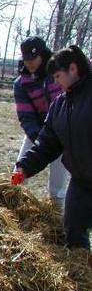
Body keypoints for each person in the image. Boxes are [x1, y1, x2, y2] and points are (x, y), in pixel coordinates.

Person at [13, 45, 92, 253]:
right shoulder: (61, 105)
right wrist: (24, 167)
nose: (55, 83)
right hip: (82, 181)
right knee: (74, 232)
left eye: (58, 76)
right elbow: (46, 143)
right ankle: (83, 275)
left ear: (73, 69)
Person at [12, 36, 69, 209]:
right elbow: (25, 115)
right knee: (19, 172)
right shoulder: (21, 83)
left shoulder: (58, 75)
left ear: (42, 55)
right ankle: (13, 207)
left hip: (62, 133)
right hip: (36, 132)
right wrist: (39, 140)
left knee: (57, 185)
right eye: (26, 58)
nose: (29, 63)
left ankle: (57, 215)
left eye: (33, 58)